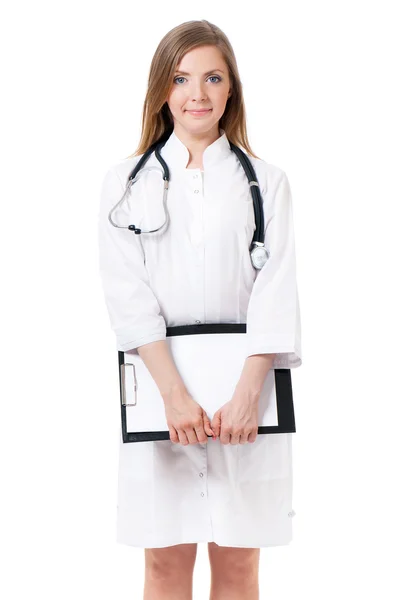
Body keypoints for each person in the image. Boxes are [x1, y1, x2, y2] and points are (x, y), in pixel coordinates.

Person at [97, 19, 302, 600]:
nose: (198, 94)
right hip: (163, 395)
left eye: (213, 78)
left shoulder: (268, 183)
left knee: (239, 567)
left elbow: (276, 294)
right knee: (164, 567)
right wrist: (174, 396)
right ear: (162, 89)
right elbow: (129, 300)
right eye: (182, 78)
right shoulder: (123, 186)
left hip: (247, 401)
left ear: (231, 88)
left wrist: (245, 398)